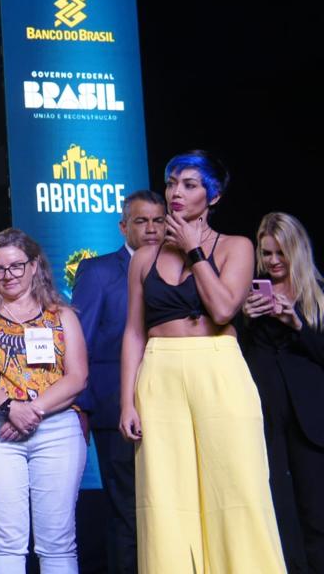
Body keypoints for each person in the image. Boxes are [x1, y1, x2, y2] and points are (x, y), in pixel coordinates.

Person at [119, 150, 285, 573]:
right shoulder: (144, 256)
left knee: (236, 486)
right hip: (160, 370)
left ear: (212, 196)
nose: (176, 192)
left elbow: (224, 308)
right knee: (165, 496)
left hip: (218, 366)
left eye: (189, 185)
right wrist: (127, 402)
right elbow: (135, 332)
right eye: (172, 182)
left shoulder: (236, 247)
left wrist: (195, 250)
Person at [0, 228, 88, 574]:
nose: (8, 275)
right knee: (5, 541)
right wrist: (10, 409)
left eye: (16, 266)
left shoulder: (62, 314)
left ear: (34, 266)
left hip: (56, 427)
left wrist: (32, 412)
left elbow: (77, 376)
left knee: (58, 541)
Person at [72, 190, 166, 574]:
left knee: (166, 507)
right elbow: (82, 344)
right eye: (141, 221)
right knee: (126, 511)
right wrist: (84, 407)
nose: (151, 229)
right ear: (123, 226)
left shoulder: (181, 267)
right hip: (115, 408)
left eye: (158, 221)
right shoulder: (97, 271)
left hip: (172, 401)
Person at [242, 212, 324, 573]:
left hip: (311, 418)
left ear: (296, 252)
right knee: (277, 509)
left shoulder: (317, 296)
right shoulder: (251, 292)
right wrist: (243, 317)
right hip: (267, 416)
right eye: (267, 253)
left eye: (280, 254)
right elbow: (241, 355)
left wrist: (297, 325)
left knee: (316, 510)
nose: (273, 262)